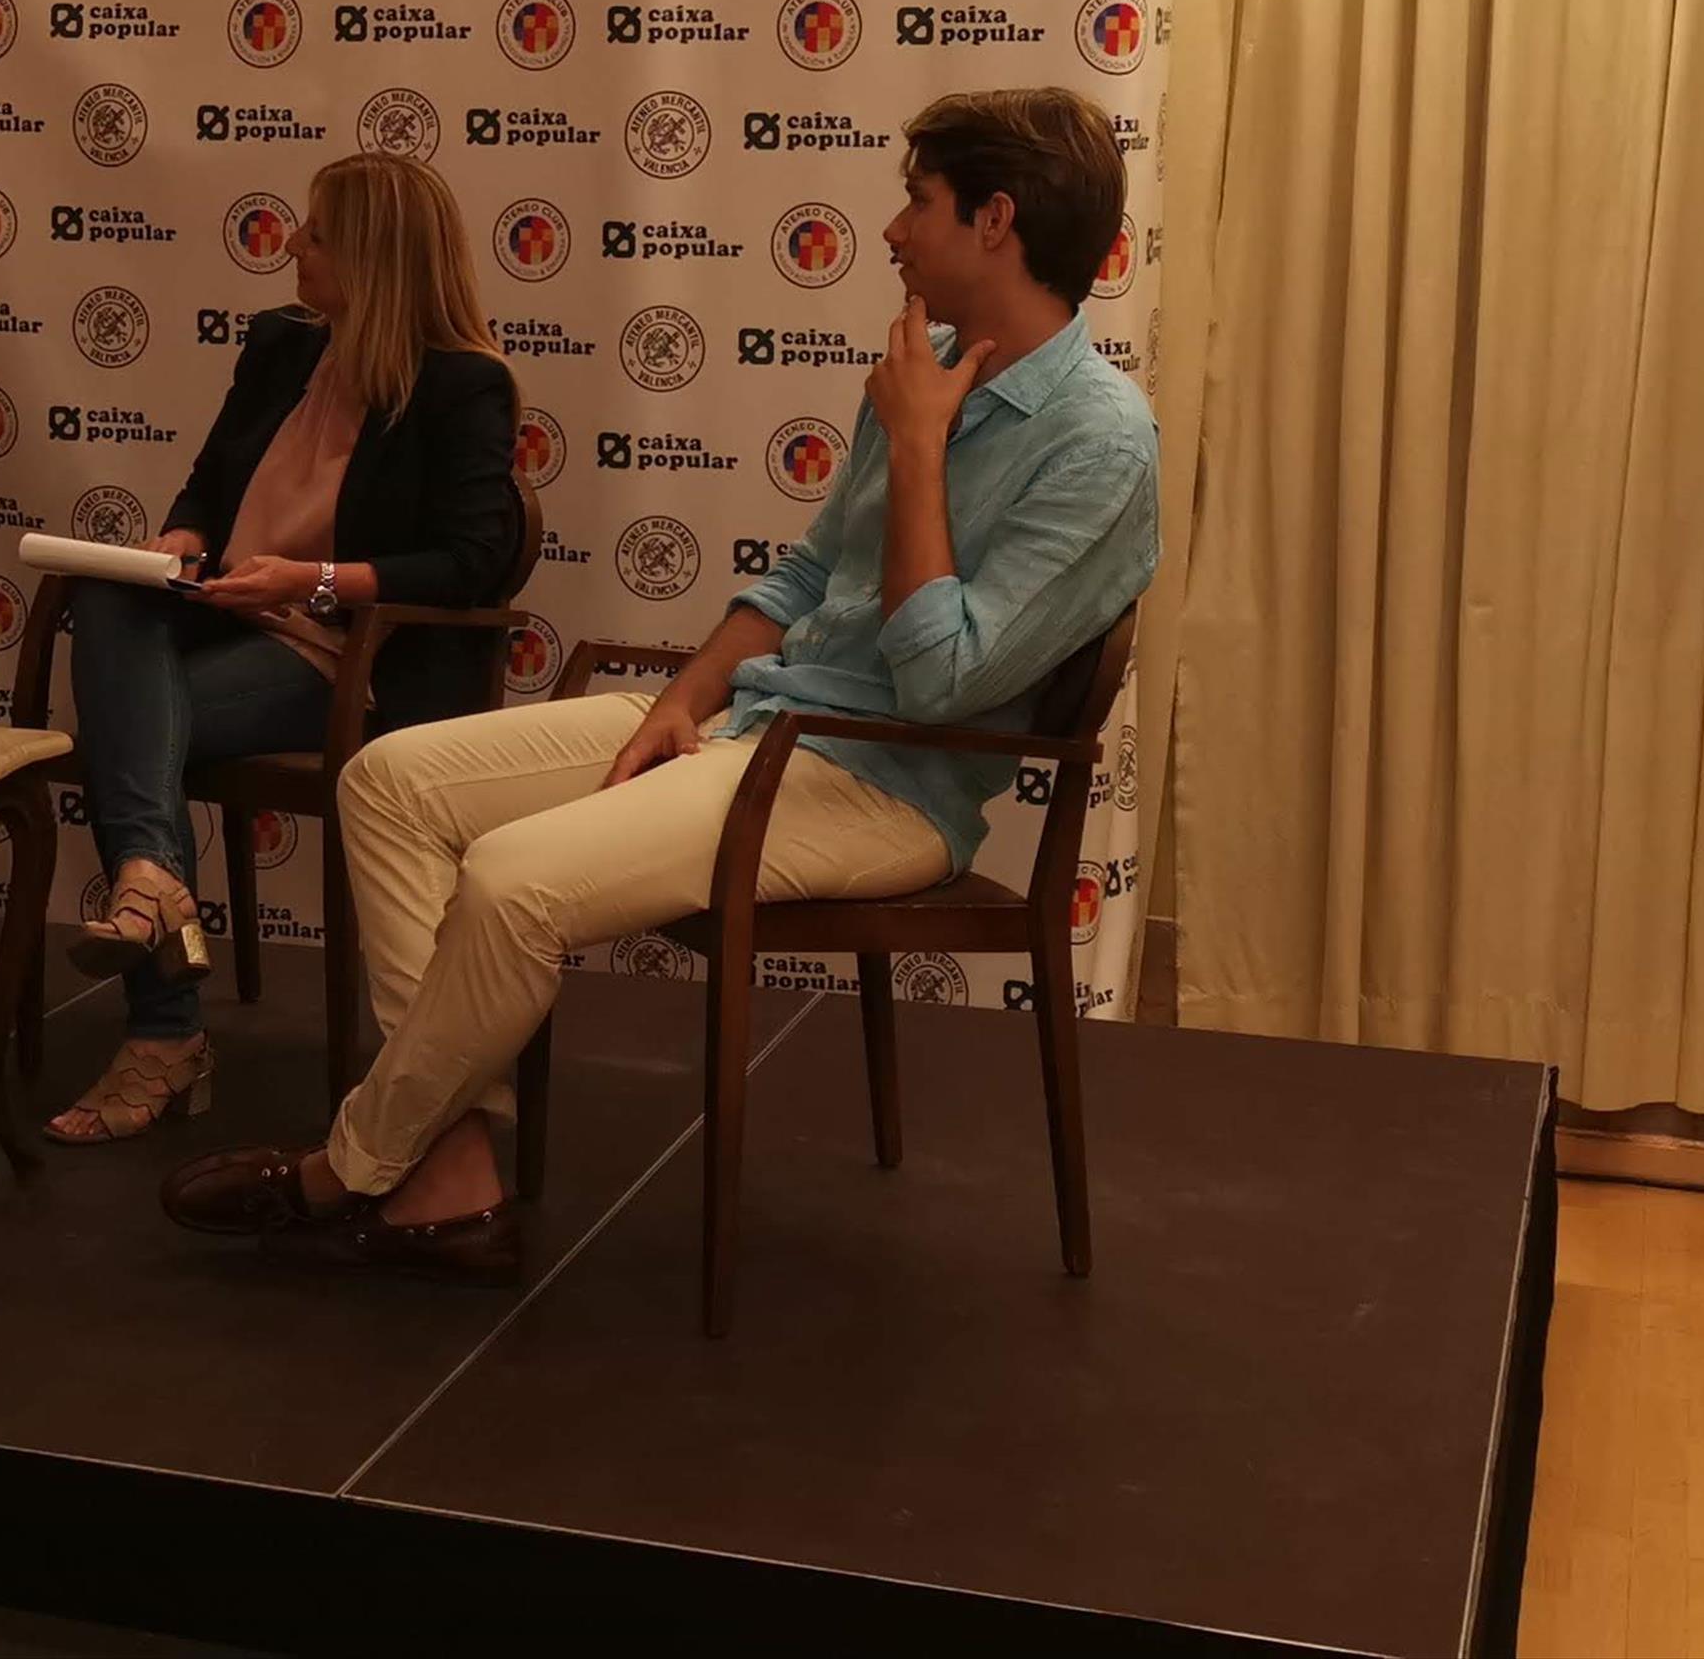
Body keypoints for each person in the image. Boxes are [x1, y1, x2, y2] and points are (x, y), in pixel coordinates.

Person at [156, 89, 1160, 1279]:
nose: (893, 231)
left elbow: (941, 680)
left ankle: (350, 1165)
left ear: (995, 221)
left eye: (920, 202)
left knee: (513, 881)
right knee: (389, 783)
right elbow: (802, 578)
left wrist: (921, 448)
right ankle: (450, 1167)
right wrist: (684, 701)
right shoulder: (923, 371)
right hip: (756, 724)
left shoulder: (1098, 441)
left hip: (882, 782)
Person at [42, 153, 523, 1144]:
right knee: (109, 596)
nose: (293, 243)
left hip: (347, 658)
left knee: (132, 734)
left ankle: (163, 1031)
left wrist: (311, 580)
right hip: (232, 619)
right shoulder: (279, 346)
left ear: (373, 257)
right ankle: (154, 884)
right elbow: (210, 479)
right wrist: (183, 533)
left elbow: (472, 558)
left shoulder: (464, 384)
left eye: (317, 233)